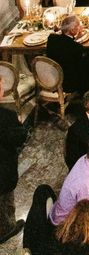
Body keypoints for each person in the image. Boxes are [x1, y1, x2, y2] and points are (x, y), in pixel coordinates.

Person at [0, 77, 28, 243]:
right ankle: (7, 229)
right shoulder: (7, 116)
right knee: (5, 202)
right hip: (3, 169)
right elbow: (19, 138)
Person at [47, 15, 89, 94]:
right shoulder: (76, 48)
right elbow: (79, 67)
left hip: (52, 77)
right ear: (72, 29)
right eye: (78, 26)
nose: (80, 27)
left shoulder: (51, 39)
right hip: (67, 83)